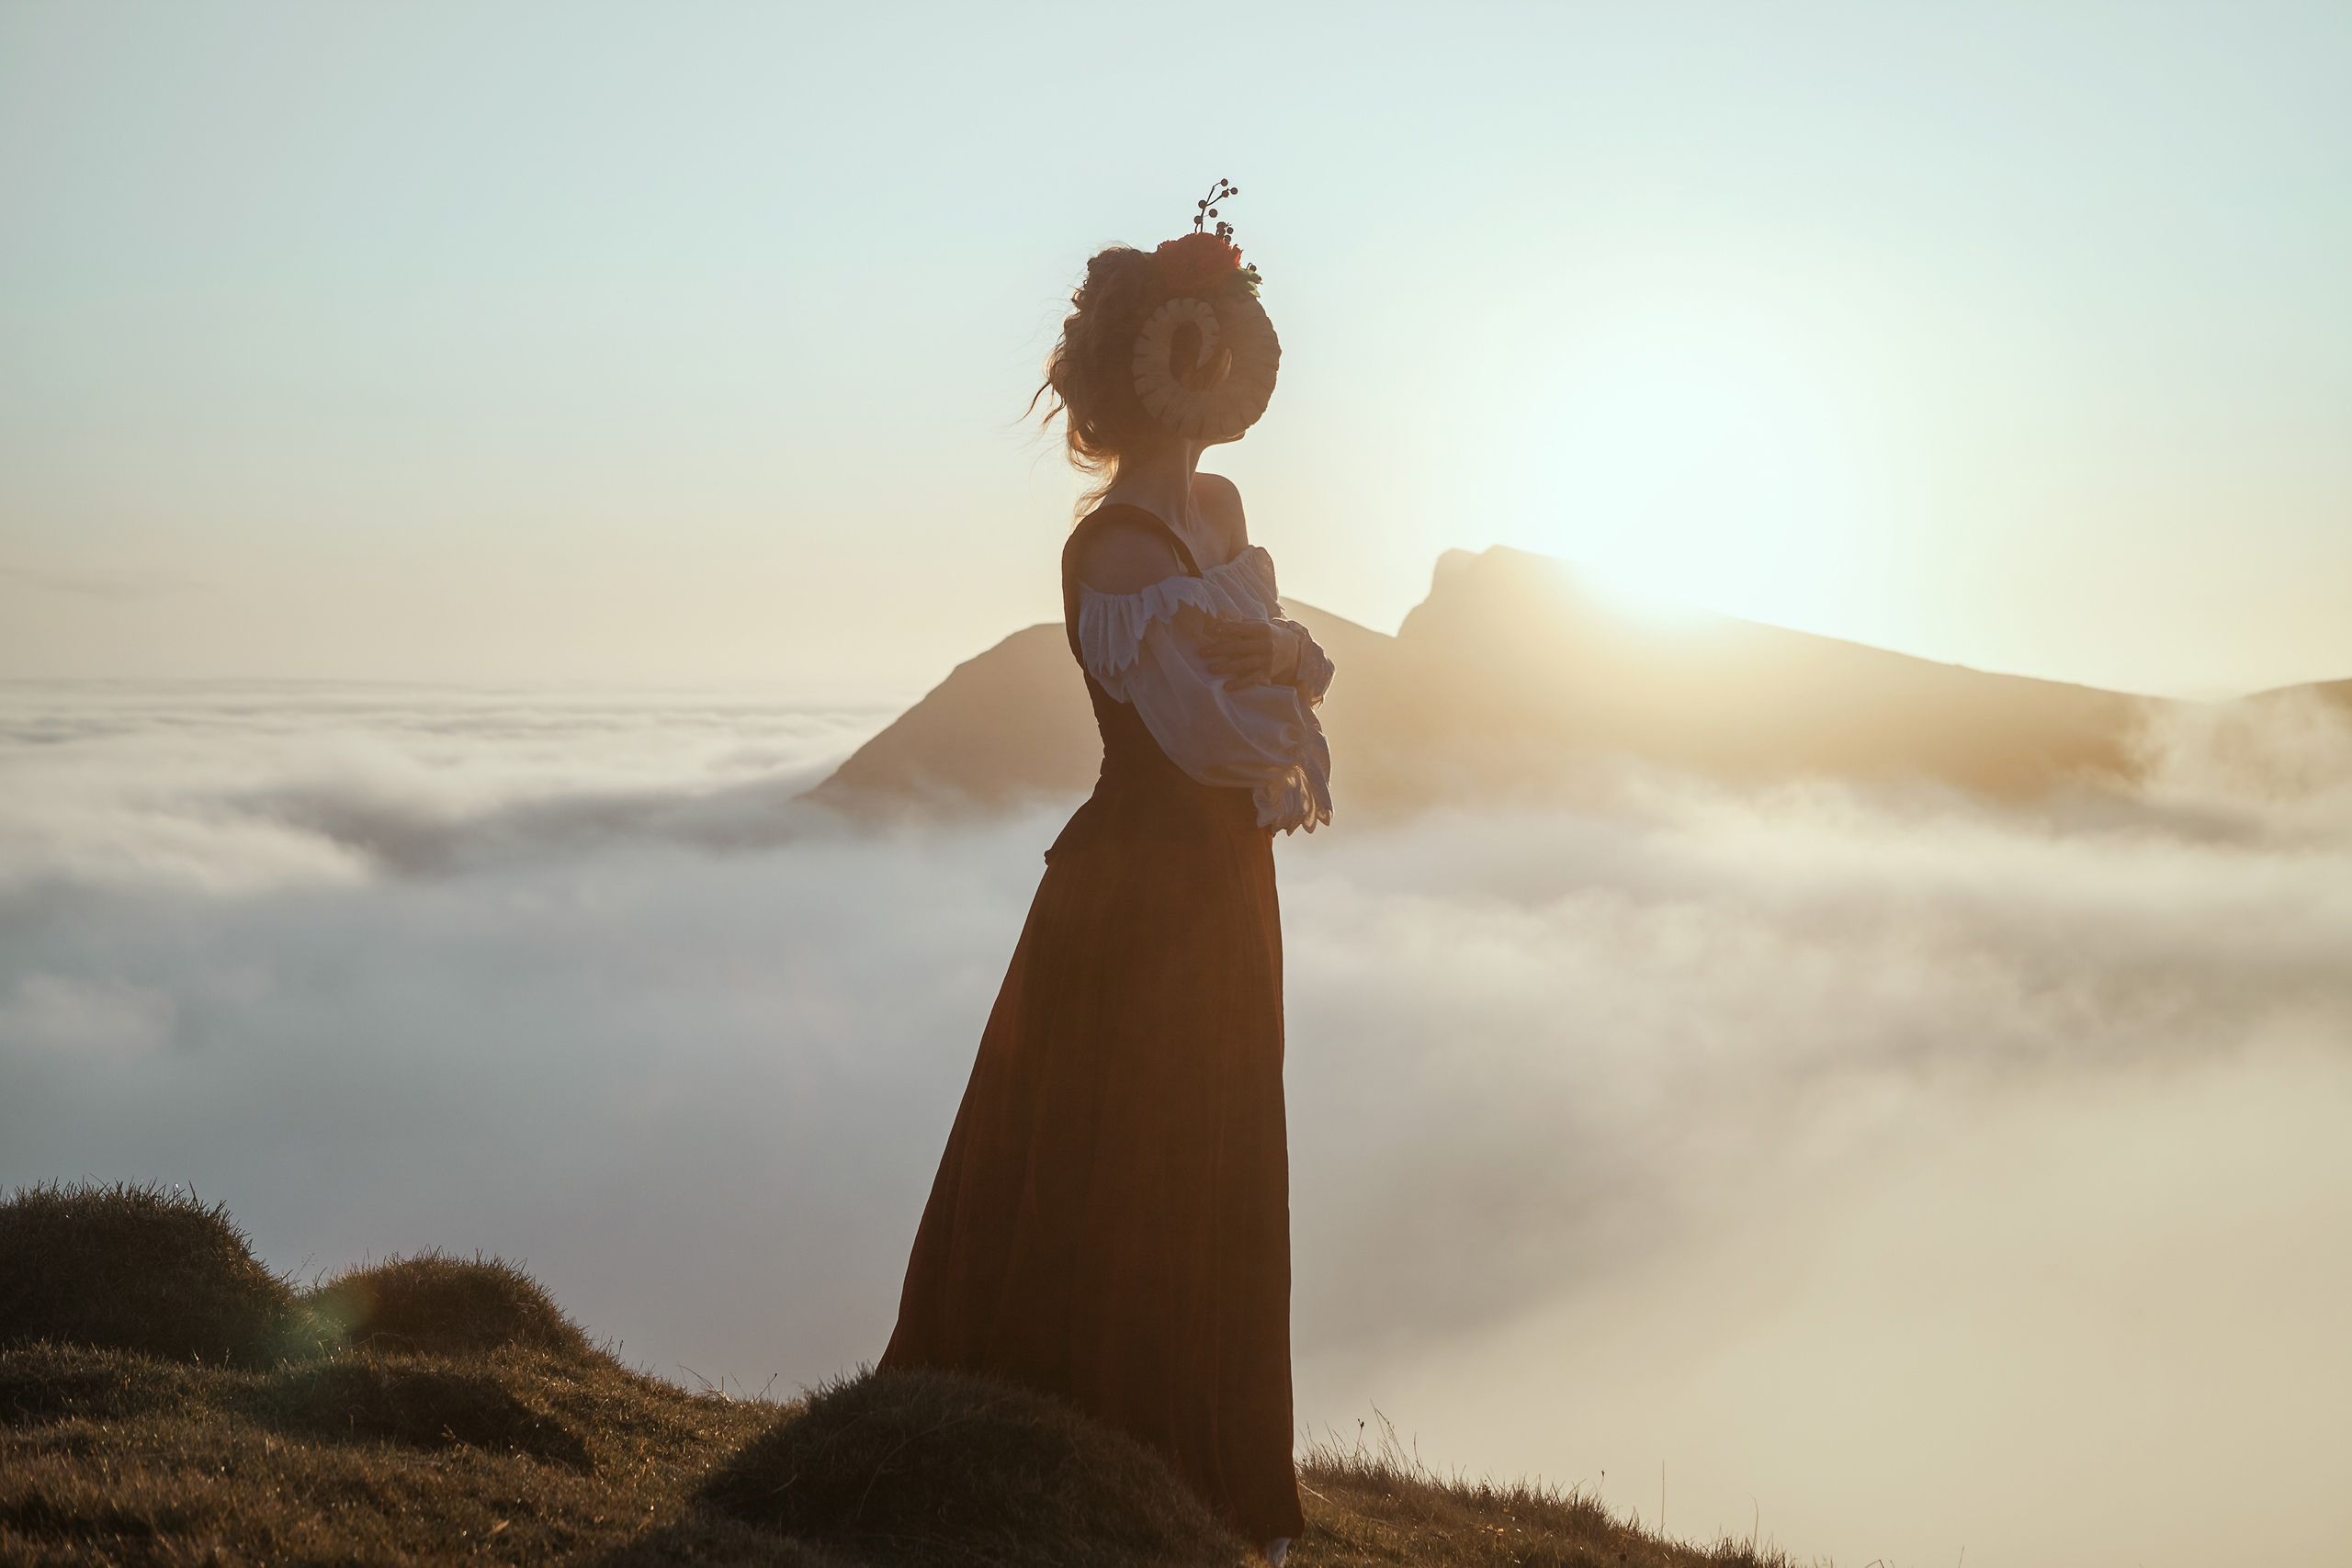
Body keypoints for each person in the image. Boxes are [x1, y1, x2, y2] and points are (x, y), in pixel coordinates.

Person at [876, 181, 1331, 1564]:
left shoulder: (1221, 510)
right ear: (1144, 370)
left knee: (1212, 1150)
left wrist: (1289, 663)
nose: (1212, 384)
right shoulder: (1116, 550)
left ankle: (1195, 1468)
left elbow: (1275, 694)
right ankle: (1096, 1451)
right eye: (1192, 355)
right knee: (1123, 1154)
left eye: (1224, 355)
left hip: (1219, 889)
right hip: (1138, 894)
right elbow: (1218, 738)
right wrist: (1285, 671)